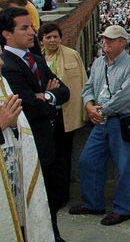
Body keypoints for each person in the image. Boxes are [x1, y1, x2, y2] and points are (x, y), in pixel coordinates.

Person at [0, 31, 55, 241]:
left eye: (0, 55)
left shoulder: (1, 83)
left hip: (13, 175)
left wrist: (14, 125)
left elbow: (21, 126)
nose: (0, 62)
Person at [0, 7, 70, 241]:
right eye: (24, 28)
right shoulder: (6, 65)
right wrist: (49, 99)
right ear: (7, 34)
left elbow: (65, 91)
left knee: (55, 193)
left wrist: (45, 96)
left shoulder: (36, 59)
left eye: (32, 27)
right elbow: (30, 107)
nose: (32, 32)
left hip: (50, 140)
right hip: (30, 144)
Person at [70, 25, 130, 226]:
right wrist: (89, 105)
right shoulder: (98, 63)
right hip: (101, 120)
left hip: (121, 120)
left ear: (122, 42)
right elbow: (88, 87)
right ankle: (93, 203)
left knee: (124, 167)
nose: (105, 42)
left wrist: (101, 111)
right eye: (104, 39)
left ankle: (122, 209)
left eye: (110, 39)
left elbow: (125, 96)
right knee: (88, 160)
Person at [39, 22, 88, 198]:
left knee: (63, 153)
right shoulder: (37, 58)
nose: (52, 40)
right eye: (48, 37)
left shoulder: (71, 55)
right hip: (45, 114)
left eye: (55, 37)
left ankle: (62, 193)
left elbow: (83, 81)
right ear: (42, 40)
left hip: (65, 113)